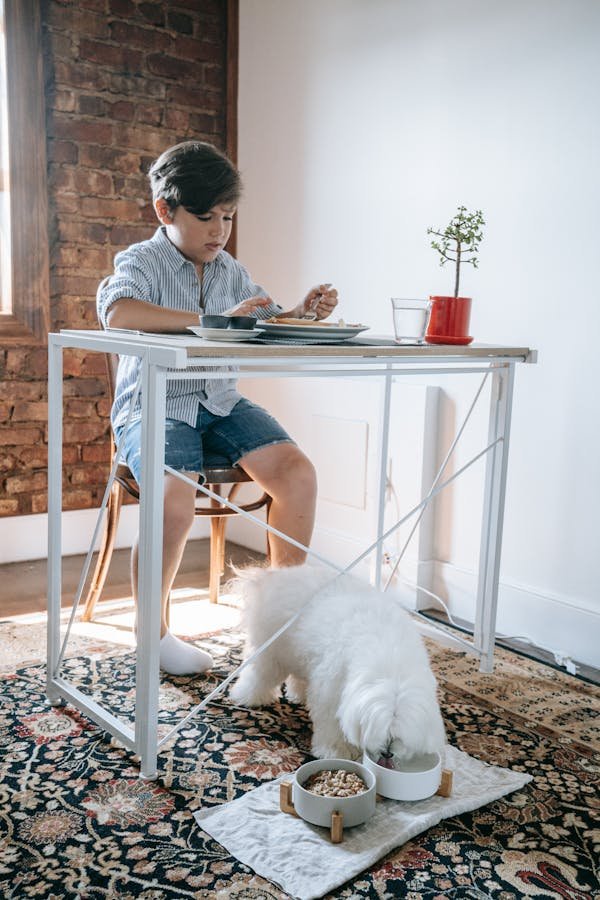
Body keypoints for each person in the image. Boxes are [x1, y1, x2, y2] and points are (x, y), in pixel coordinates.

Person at [97, 140, 338, 676]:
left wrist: (302, 312)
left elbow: (266, 318)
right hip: (154, 403)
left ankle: (279, 625)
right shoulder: (139, 261)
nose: (219, 230)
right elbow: (118, 313)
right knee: (173, 503)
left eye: (227, 217)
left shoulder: (230, 268)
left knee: (298, 474)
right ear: (165, 210)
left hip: (219, 402)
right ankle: (153, 636)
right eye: (206, 217)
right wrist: (213, 321)